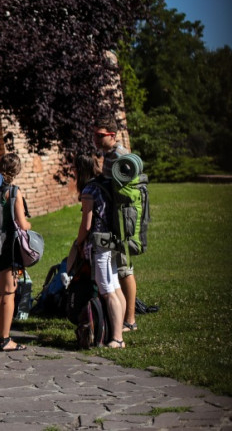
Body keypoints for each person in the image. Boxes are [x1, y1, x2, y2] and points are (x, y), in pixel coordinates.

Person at [71, 153, 127, 349]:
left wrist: (78, 243)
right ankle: (118, 331)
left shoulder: (89, 190)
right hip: (113, 240)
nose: (73, 172)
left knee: (106, 291)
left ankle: (117, 338)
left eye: (74, 168)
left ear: (81, 170)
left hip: (99, 244)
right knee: (115, 287)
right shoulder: (105, 182)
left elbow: (86, 225)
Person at [93, 117, 138, 333]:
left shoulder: (121, 157)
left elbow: (131, 192)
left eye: (100, 135)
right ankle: (121, 317)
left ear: (112, 135)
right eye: (95, 134)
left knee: (125, 269)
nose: (96, 138)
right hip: (111, 220)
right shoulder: (109, 155)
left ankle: (130, 320)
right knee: (118, 268)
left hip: (121, 221)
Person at [0, 152, 29, 352]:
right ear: (17, 171)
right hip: (7, 247)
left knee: (0, 290)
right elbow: (22, 223)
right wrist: (29, 225)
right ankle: (5, 340)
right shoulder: (13, 192)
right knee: (9, 292)